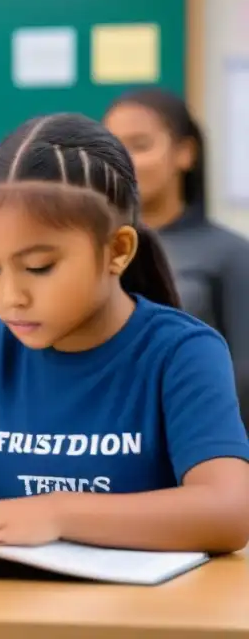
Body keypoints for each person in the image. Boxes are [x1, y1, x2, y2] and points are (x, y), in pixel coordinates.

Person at [0, 112, 249, 559]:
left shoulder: (181, 353)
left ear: (117, 251)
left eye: (38, 267)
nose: (11, 296)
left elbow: (229, 513)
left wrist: (56, 513)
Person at [104, 87, 249, 426]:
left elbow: (243, 375)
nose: (124, 161)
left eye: (140, 145)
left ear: (185, 153)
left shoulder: (230, 254)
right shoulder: (94, 250)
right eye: (111, 148)